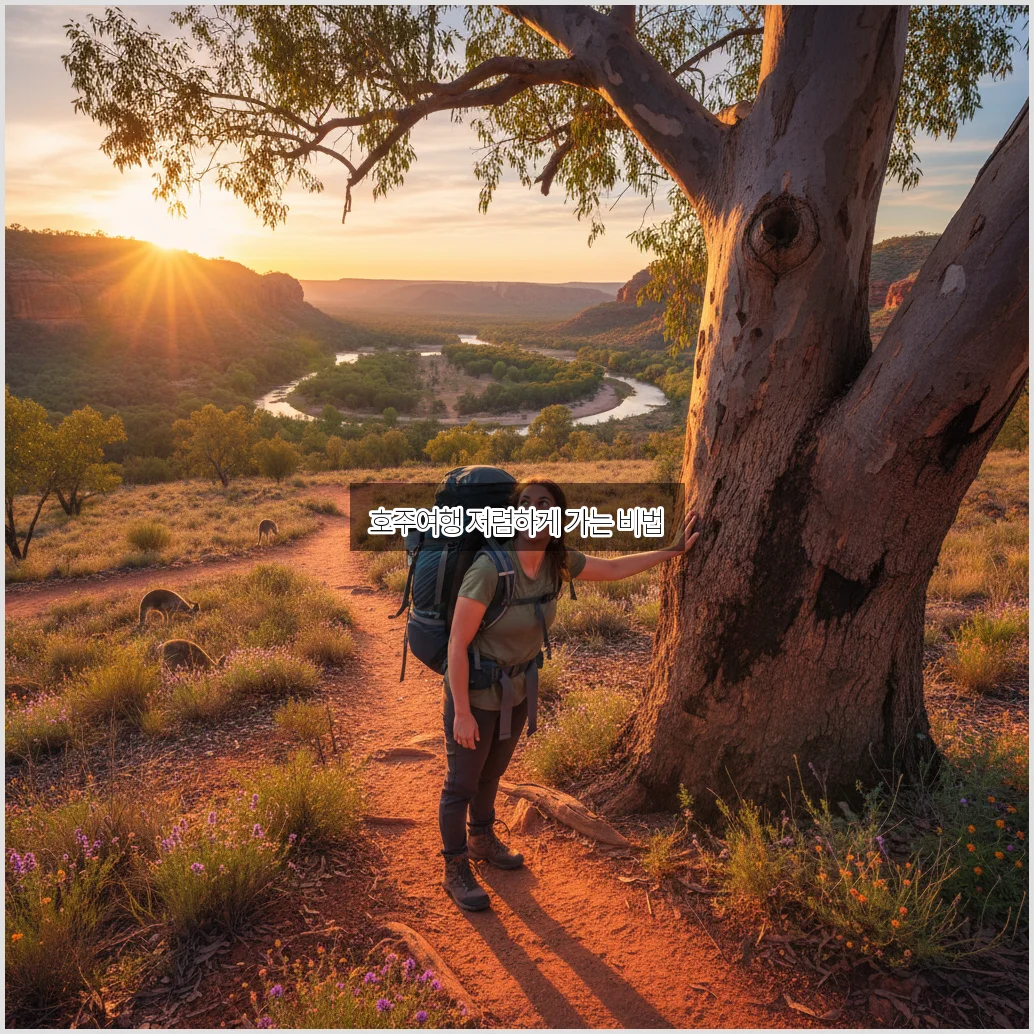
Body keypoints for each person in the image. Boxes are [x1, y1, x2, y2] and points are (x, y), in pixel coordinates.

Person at [440, 476, 700, 911]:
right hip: (475, 691)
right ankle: (454, 866)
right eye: (525, 502)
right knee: (461, 782)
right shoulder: (491, 568)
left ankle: (481, 838)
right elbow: (456, 644)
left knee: (492, 772)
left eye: (545, 503)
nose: (534, 509)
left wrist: (672, 550)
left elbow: (614, 569)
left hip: (519, 688)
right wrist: (462, 712)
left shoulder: (556, 562)